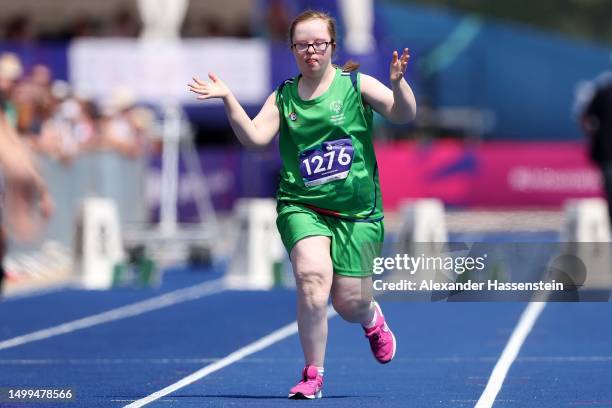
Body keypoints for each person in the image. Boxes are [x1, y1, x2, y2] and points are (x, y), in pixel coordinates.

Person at [189, 9, 416, 399]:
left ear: (332, 46)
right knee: (312, 281)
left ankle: (372, 319)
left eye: (319, 43)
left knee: (349, 303)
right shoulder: (284, 95)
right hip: (302, 206)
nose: (311, 51)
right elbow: (257, 138)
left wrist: (399, 85)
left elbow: (404, 114)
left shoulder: (357, 85)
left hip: (357, 213)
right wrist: (228, 99)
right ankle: (313, 373)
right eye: (302, 44)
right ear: (292, 48)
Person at [581, 69, 612, 222]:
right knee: (610, 189)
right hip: (607, 152)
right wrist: (594, 133)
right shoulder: (604, 93)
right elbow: (586, 117)